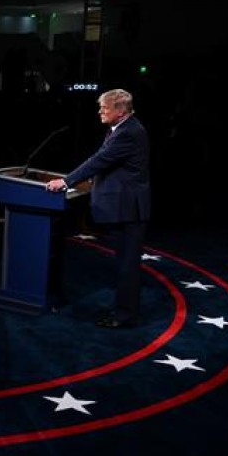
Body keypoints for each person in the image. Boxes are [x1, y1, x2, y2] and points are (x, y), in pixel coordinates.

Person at [46, 88, 150, 328]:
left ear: (120, 110)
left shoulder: (128, 132)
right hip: (125, 206)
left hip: (128, 209)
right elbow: (110, 162)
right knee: (125, 263)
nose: (100, 111)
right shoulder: (122, 128)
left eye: (105, 107)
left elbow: (99, 160)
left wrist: (66, 181)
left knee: (127, 265)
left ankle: (125, 316)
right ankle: (124, 311)